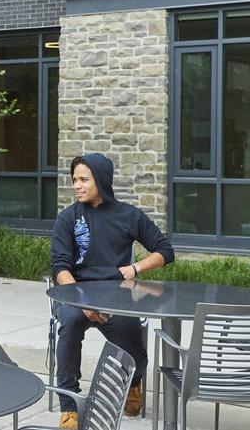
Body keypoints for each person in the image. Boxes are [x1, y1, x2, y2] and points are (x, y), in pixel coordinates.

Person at [50, 153, 174, 429]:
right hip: (75, 294)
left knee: (133, 341)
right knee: (69, 325)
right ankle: (69, 404)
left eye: (84, 179)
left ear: (102, 181)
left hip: (117, 297)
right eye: (74, 180)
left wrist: (135, 269)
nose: (77, 186)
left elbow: (165, 251)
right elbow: (60, 268)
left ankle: (133, 383)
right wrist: (81, 302)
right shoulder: (67, 219)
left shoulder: (128, 215)